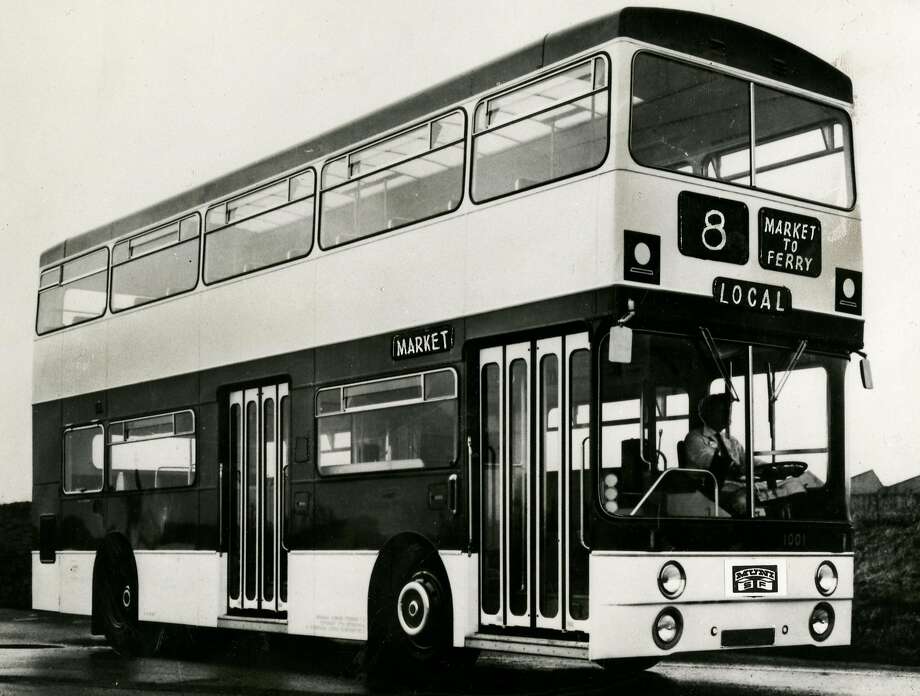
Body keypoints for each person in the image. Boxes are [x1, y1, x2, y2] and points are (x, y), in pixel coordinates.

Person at [683, 393, 747, 514]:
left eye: (728, 411)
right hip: (711, 489)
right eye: (722, 411)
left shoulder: (731, 440)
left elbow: (747, 460)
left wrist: (771, 467)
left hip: (736, 485)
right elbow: (709, 460)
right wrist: (732, 466)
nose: (728, 415)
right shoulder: (695, 438)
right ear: (708, 413)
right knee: (743, 501)